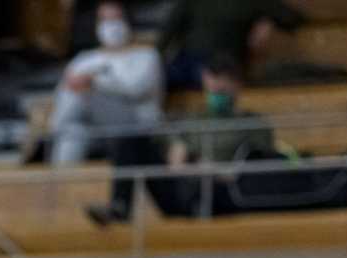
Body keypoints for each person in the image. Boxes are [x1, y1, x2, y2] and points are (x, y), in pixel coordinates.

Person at [84, 56, 273, 225]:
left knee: (206, 183)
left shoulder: (252, 123)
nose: (215, 95)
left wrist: (214, 170)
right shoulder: (193, 118)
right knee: (132, 141)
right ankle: (120, 207)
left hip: (221, 191)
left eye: (221, 91)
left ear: (236, 86)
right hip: (181, 188)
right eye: (211, 90)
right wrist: (175, 145)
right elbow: (163, 137)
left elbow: (259, 167)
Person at [48, 1, 164, 166]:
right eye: (105, 20)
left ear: (127, 22)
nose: (111, 26)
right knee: (72, 133)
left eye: (116, 19)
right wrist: (87, 82)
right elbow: (65, 88)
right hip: (92, 128)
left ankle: (52, 132)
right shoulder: (84, 59)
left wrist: (94, 81)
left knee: (81, 94)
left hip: (135, 124)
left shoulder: (146, 55)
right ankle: (61, 179)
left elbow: (135, 87)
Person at [158, 0, 302, 90]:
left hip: (224, 65)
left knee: (218, 79)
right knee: (158, 78)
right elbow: (168, 33)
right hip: (190, 62)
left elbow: (292, 18)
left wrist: (267, 21)